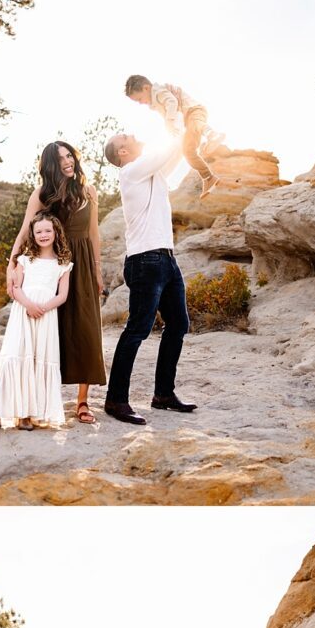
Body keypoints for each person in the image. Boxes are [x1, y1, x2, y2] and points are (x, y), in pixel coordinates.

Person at [103, 105, 204, 424]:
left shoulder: (151, 173)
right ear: (122, 150)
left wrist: (190, 131)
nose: (133, 134)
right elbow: (169, 150)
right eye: (127, 135)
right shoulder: (131, 171)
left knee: (179, 325)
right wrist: (180, 120)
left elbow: (175, 156)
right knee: (138, 329)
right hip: (145, 261)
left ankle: (163, 395)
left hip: (166, 260)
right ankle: (116, 401)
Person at [8, 142, 105, 426]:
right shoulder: (41, 194)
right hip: (49, 267)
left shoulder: (89, 191)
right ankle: (33, 401)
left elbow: (94, 233)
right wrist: (12, 265)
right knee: (46, 330)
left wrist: (98, 270)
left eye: (70, 155)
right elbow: (26, 230)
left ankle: (83, 401)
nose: (68, 161)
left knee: (86, 328)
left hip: (83, 264)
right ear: (51, 164)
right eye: (61, 157)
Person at [0, 214, 71, 433]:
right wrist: (30, 305)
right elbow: (15, 289)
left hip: (46, 317)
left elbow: (63, 296)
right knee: (14, 356)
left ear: (56, 233)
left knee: (35, 361)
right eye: (38, 231)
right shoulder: (24, 259)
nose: (43, 235)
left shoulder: (63, 264)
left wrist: (43, 308)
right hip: (23, 313)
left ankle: (25, 415)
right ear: (32, 235)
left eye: (47, 231)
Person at [123, 75, 215, 196]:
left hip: (191, 113)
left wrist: (169, 120)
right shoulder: (155, 101)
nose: (140, 103)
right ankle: (209, 177)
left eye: (139, 99)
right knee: (188, 151)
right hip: (184, 122)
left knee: (186, 147)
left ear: (146, 88)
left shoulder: (158, 92)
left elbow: (172, 102)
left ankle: (211, 136)